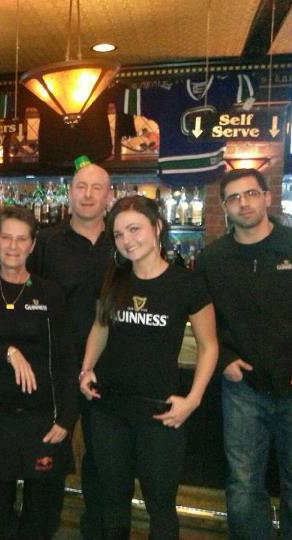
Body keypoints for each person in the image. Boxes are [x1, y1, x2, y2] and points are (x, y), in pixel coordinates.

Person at [198, 168, 292, 539]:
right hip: (243, 389)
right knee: (242, 486)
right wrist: (225, 361)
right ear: (225, 207)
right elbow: (204, 318)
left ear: (267, 197)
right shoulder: (212, 259)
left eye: (251, 194)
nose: (244, 203)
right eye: (234, 198)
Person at [79, 195, 217, 539]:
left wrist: (193, 399)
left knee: (160, 506)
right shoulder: (113, 278)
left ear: (157, 228)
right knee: (112, 502)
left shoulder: (187, 283)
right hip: (109, 407)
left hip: (160, 412)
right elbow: (100, 327)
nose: (127, 240)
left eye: (135, 229)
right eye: (119, 234)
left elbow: (209, 346)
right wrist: (87, 369)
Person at [0, 206, 76, 540]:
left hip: (44, 418)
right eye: (6, 238)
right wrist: (7, 352)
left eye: (22, 239)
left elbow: (65, 357)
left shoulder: (49, 292)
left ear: (32, 245)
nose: (13, 246)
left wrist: (66, 417)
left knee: (42, 516)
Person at [28, 159, 113, 540]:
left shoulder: (123, 240)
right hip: (56, 365)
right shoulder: (47, 241)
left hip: (108, 367)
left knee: (102, 458)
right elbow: (28, 296)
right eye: (81, 186)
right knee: (49, 456)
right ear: (69, 192)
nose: (88, 195)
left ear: (109, 195)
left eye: (97, 188)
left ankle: (97, 531)